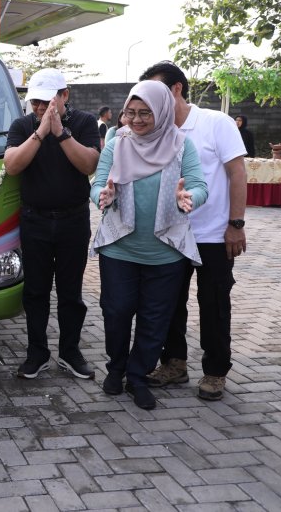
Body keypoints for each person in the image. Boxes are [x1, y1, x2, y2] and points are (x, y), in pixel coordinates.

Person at [91, 80, 208, 410]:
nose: (137, 120)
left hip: (166, 252)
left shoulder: (182, 145)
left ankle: (138, 377)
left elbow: (199, 186)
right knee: (115, 313)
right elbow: (99, 183)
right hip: (119, 248)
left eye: (145, 113)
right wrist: (101, 195)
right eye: (131, 112)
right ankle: (116, 369)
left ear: (162, 111)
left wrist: (190, 198)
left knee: (154, 320)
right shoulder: (116, 143)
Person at [140, 61, 247, 401]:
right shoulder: (156, 130)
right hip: (170, 235)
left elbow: (237, 173)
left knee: (213, 303)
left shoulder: (216, 123)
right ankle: (174, 363)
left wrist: (236, 224)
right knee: (168, 303)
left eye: (157, 93)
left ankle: (215, 372)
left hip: (214, 236)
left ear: (176, 90)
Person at [3, 68, 101, 380]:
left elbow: (89, 163)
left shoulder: (84, 123)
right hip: (35, 220)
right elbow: (13, 165)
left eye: (48, 102)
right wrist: (40, 132)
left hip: (73, 219)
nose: (42, 109)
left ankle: (70, 351)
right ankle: (37, 352)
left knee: (71, 291)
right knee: (35, 290)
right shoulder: (22, 125)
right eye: (35, 103)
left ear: (64, 96)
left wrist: (60, 133)